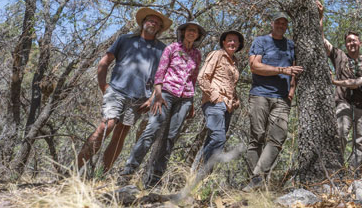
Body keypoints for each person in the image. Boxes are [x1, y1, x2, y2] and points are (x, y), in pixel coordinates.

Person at [77, 8, 171, 172]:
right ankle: (73, 171)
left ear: (160, 28)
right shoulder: (125, 39)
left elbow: (162, 76)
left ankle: (102, 175)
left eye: (157, 23)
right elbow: (104, 62)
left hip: (140, 98)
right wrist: (103, 86)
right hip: (117, 91)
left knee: (120, 134)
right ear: (143, 23)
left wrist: (153, 98)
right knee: (107, 125)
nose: (153, 24)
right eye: (150, 20)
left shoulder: (162, 49)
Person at [120, 22, 205, 187]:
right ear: (183, 32)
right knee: (152, 130)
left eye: (195, 31)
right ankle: (127, 173)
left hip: (185, 98)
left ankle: (154, 181)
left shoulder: (197, 54)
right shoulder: (172, 48)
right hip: (165, 93)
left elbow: (193, 78)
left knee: (170, 137)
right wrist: (157, 94)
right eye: (189, 30)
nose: (192, 33)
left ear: (198, 36)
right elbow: (160, 71)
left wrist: (192, 101)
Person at [243, 12, 304, 191]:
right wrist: (281, 70)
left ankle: (256, 180)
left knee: (278, 137)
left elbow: (295, 70)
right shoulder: (261, 41)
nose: (281, 25)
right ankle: (257, 186)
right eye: (278, 22)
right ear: (272, 24)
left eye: (284, 23)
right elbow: (255, 66)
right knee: (257, 138)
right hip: (260, 95)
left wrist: (292, 90)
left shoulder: (291, 45)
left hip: (282, 98)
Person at [317, 1, 362, 169]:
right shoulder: (339, 56)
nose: (351, 43)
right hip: (343, 102)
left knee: (361, 141)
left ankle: (355, 174)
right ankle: (337, 170)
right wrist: (321, 16)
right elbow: (321, 40)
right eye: (348, 41)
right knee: (340, 133)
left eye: (354, 40)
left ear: (360, 43)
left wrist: (361, 86)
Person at [198, 30, 244, 164]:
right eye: (229, 40)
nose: (232, 43)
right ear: (223, 42)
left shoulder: (235, 62)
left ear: (239, 44)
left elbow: (230, 83)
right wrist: (215, 96)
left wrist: (235, 100)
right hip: (215, 103)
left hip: (228, 107)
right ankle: (204, 171)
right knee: (218, 138)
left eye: (235, 41)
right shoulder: (217, 54)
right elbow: (202, 77)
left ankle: (197, 176)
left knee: (212, 139)